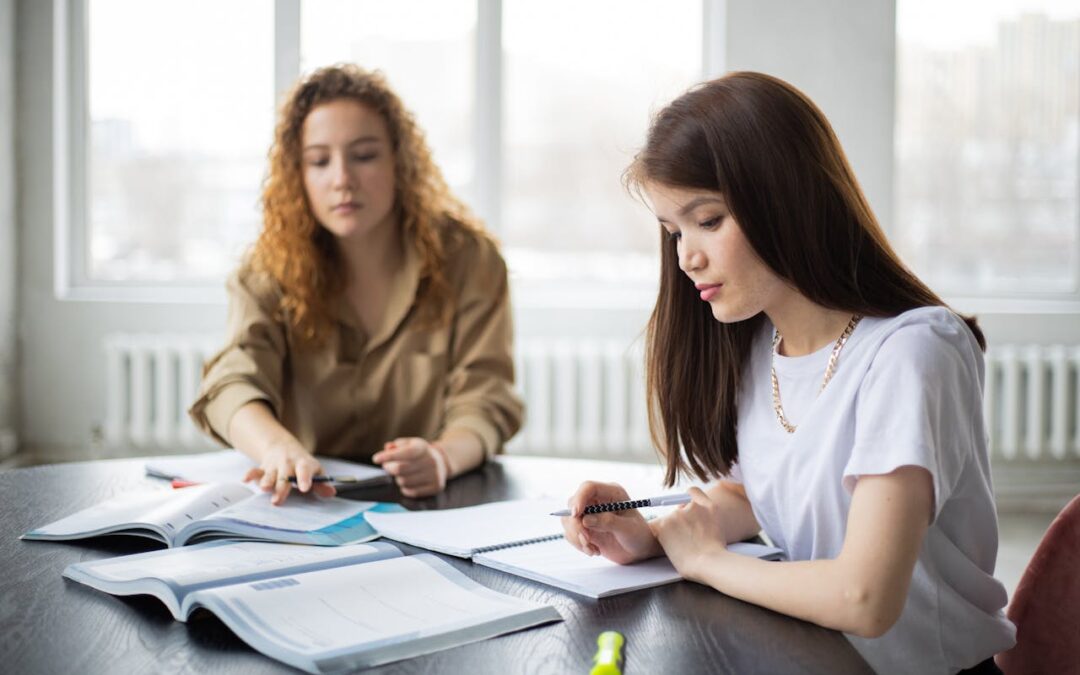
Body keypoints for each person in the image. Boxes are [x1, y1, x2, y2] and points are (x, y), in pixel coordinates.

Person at [561, 72, 1015, 674]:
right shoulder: (757, 342)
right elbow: (755, 496)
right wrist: (654, 534)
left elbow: (866, 598)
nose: (686, 257)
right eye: (674, 231)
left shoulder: (912, 352)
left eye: (710, 220)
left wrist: (706, 561)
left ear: (787, 198)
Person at [189, 65, 523, 504]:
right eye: (319, 161)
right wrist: (277, 447)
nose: (342, 178)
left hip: (432, 508)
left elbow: (486, 398)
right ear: (298, 174)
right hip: (305, 503)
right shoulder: (267, 269)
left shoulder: (470, 260)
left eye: (364, 155)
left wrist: (441, 457)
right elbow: (232, 382)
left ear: (400, 162)